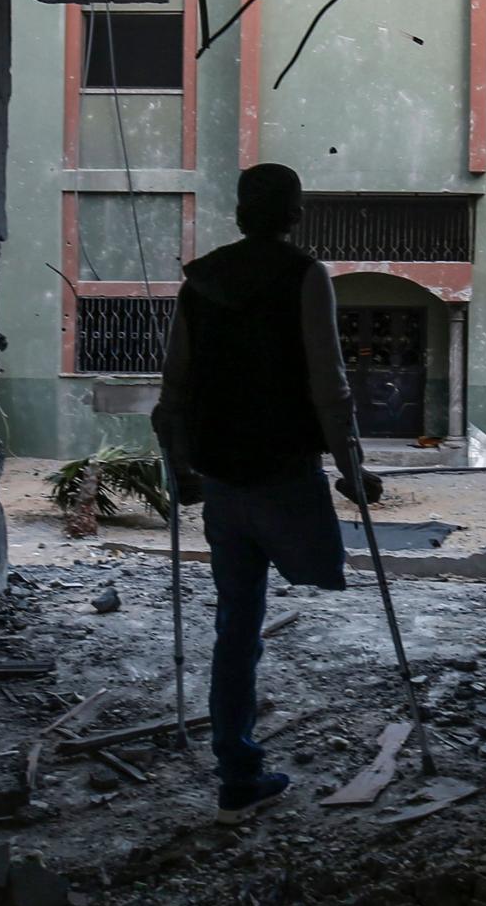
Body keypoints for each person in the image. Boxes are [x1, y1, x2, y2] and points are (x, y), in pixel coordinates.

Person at [152, 163, 380, 824]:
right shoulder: (305, 276)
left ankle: (237, 769)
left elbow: (175, 385)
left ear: (240, 211)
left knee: (237, 621)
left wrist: (181, 467)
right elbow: (327, 381)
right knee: (313, 575)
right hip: (283, 471)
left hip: (222, 474)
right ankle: (240, 765)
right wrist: (352, 466)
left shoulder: (201, 280)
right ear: (294, 213)